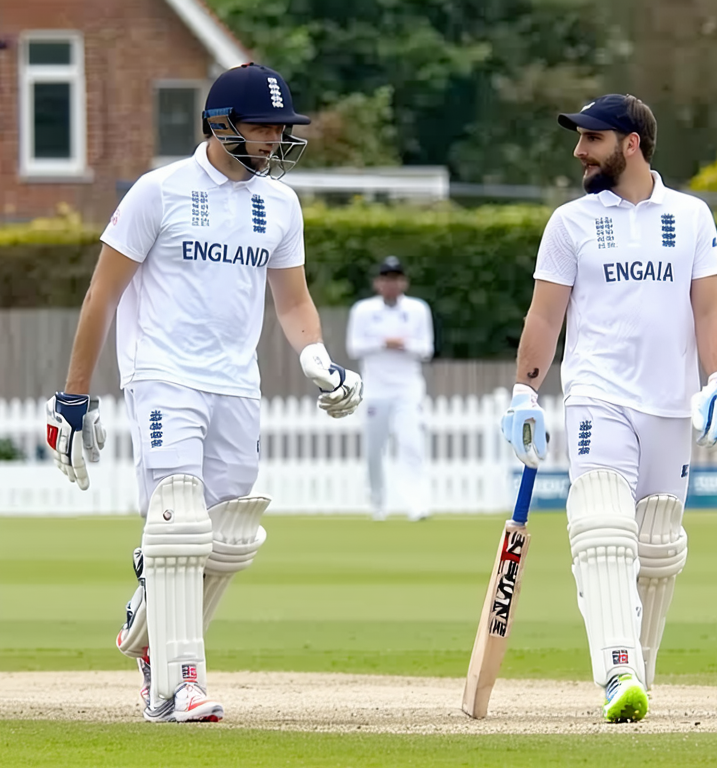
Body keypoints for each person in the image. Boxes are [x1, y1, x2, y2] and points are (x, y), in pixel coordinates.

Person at [44, 63, 363, 724]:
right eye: (262, 127)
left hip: (236, 384)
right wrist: (73, 397)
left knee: (228, 537)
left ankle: (148, 608)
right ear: (220, 124)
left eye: (280, 128)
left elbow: (292, 300)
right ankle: (177, 685)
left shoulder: (280, 205)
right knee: (180, 522)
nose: (274, 139)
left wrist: (317, 358)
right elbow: (103, 294)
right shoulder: (159, 192)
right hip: (163, 375)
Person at [498, 94, 717, 723]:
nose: (578, 151)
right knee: (603, 529)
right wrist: (525, 392)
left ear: (630, 143)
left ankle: (640, 677)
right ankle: (617, 670)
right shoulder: (570, 223)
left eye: (592, 139)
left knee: (657, 546)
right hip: (597, 397)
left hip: (670, 406)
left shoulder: (691, 215)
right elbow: (544, 316)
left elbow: (709, 308)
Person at [346, 256, 434, 521]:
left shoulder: (418, 309)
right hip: (375, 390)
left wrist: (403, 344)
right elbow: (354, 347)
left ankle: (417, 505)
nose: (391, 284)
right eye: (386, 279)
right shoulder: (363, 310)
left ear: (403, 282)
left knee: (411, 445)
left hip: (407, 389)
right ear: (377, 283)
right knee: (374, 450)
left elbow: (426, 349)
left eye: (396, 279)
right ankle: (378, 504)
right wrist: (384, 342)